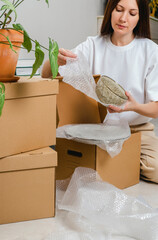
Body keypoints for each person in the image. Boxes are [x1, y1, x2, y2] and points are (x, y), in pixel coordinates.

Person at [42, 0, 158, 183]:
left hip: (137, 131)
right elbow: (47, 74)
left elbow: (156, 108)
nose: (123, 18)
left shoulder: (150, 51)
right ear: (110, 10)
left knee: (155, 170)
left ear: (140, 18)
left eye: (132, 13)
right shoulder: (93, 45)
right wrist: (54, 59)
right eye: (118, 10)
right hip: (97, 129)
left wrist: (134, 107)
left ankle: (119, 162)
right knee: (71, 162)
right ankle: (117, 163)